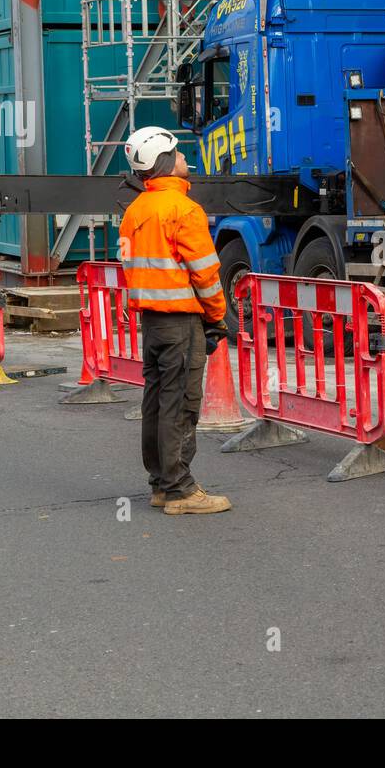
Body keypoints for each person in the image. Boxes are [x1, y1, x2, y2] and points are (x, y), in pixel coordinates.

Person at [119, 126, 233, 516]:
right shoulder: (183, 210)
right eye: (179, 153)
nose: (185, 158)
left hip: (151, 323)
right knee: (181, 404)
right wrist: (217, 317)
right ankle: (180, 490)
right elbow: (204, 273)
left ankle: (161, 484)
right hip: (182, 322)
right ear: (165, 162)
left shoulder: (136, 211)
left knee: (156, 402)